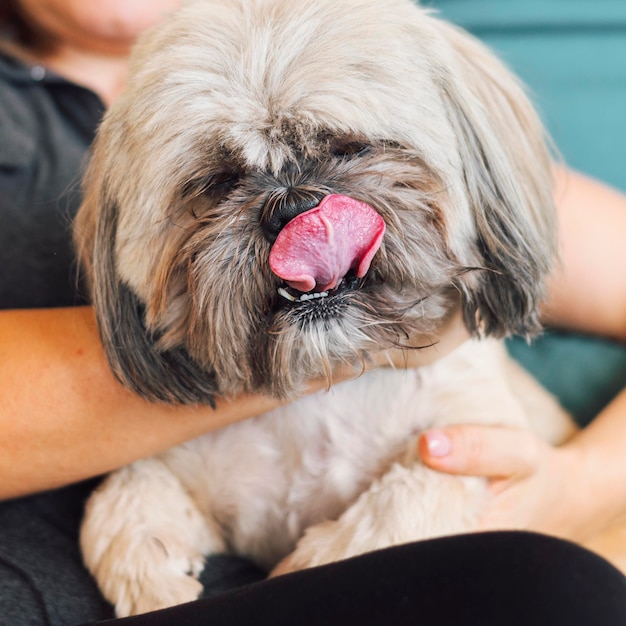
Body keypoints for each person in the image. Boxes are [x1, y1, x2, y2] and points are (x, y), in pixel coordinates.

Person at [1, 1, 626, 624]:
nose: (301, 221)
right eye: (216, 187)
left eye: (352, 150)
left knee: (570, 588)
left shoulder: (369, 45)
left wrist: (582, 486)